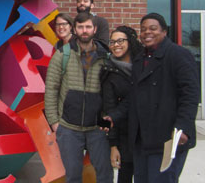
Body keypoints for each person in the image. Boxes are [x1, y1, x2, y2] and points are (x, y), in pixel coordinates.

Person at [103, 13, 200, 183]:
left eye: (153, 28)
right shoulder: (140, 59)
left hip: (167, 138)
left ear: (164, 31)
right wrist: (114, 116)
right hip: (142, 140)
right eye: (143, 29)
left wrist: (182, 127)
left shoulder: (178, 55)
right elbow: (133, 96)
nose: (147, 32)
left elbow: (190, 95)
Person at [45, 12, 113, 183]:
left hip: (97, 128)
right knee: (73, 177)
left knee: (105, 174)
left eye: (88, 27)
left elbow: (111, 92)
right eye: (81, 27)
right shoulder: (62, 55)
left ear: (95, 29)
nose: (84, 30)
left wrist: (107, 120)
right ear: (75, 29)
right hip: (68, 128)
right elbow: (51, 89)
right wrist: (55, 122)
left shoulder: (105, 57)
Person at [101, 26, 142, 183]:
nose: (116, 45)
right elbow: (109, 110)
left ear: (130, 41)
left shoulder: (144, 65)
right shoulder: (109, 71)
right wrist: (113, 146)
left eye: (120, 40)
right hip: (125, 135)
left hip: (148, 133)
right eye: (112, 42)